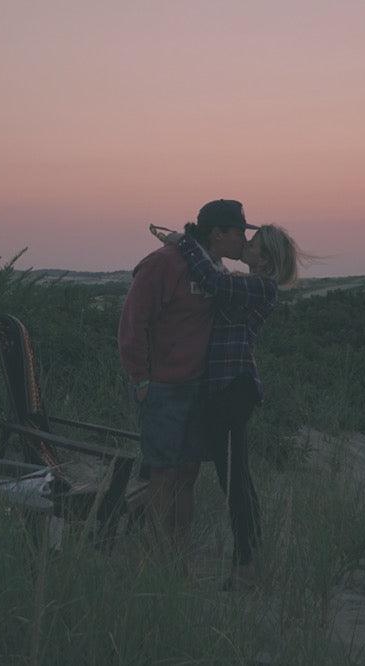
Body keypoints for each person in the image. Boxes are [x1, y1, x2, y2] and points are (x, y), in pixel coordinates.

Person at [152, 219, 303, 589]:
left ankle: (246, 567)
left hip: (233, 392)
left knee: (235, 481)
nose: (245, 245)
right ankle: (247, 564)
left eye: (252, 243)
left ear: (265, 258)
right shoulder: (252, 285)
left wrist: (184, 242)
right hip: (225, 391)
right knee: (236, 479)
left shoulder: (260, 288)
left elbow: (215, 282)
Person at [118, 199, 257, 559]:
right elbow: (134, 322)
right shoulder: (164, 264)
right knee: (162, 477)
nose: (244, 239)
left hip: (198, 389)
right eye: (240, 232)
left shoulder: (213, 269)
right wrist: (141, 379)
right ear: (218, 233)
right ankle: (157, 559)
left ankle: (177, 560)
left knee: (187, 475)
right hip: (163, 388)